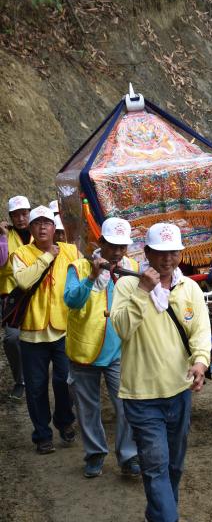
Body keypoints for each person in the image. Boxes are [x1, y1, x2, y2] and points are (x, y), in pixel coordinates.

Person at [111, 222, 211, 522]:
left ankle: (158, 512)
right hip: (141, 395)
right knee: (155, 464)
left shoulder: (191, 291)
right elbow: (122, 328)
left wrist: (200, 363)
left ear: (180, 254)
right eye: (160, 253)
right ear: (147, 254)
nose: (167, 259)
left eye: (173, 252)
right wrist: (142, 291)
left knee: (174, 466)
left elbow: (201, 334)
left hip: (178, 392)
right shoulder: (127, 286)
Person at [64, 218, 140, 478]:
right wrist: (91, 279)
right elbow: (71, 301)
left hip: (120, 349)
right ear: (101, 244)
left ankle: (129, 456)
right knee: (88, 408)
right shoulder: (79, 267)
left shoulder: (132, 268)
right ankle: (95, 454)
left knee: (127, 405)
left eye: (122, 247)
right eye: (112, 246)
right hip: (85, 350)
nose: (117, 252)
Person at [12, 206, 79, 454]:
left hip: (64, 329)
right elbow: (24, 281)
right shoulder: (21, 253)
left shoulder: (71, 251)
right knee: (37, 386)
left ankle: (64, 420)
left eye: (46, 223)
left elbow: (81, 281)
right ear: (30, 229)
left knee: (64, 380)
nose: (42, 227)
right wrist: (47, 256)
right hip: (32, 331)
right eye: (36, 223)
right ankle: (42, 434)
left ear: (54, 228)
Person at [0, 195, 32, 399]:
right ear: (10, 217)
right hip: (12, 295)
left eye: (24, 214)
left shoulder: (40, 231)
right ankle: (21, 379)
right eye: (16, 215)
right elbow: (2, 263)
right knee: (12, 338)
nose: (21, 218)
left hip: (37, 291)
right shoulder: (5, 235)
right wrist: (2, 236)